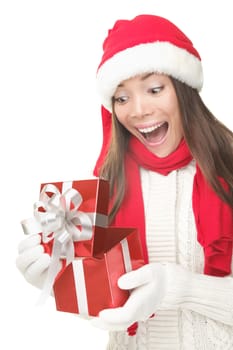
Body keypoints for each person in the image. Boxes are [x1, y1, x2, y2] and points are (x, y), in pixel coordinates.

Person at [16, 14, 233, 350]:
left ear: (183, 89)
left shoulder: (228, 173)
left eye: (154, 89)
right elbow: (111, 309)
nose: (139, 109)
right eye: (121, 97)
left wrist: (178, 289)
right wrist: (60, 281)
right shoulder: (104, 188)